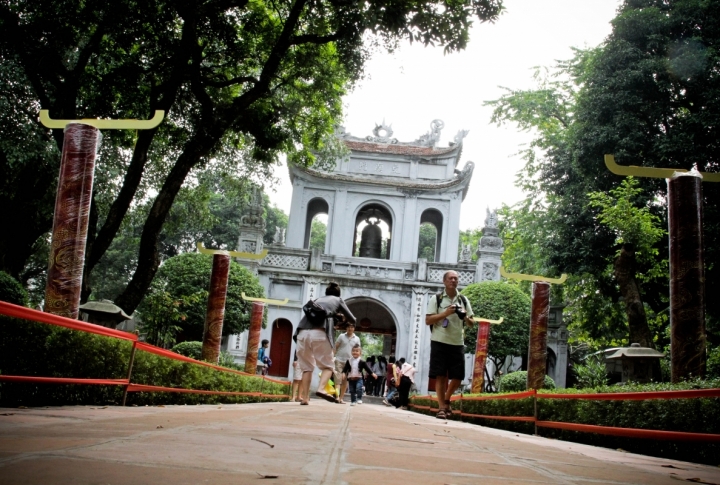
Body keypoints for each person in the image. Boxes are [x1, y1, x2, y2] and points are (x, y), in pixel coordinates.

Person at [295, 282, 356, 405]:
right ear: (338, 294)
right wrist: (341, 323)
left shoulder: (317, 299)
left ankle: (305, 398)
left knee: (306, 368)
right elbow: (353, 319)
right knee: (328, 366)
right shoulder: (338, 300)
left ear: (326, 293)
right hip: (319, 333)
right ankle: (321, 389)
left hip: (301, 333)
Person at [425, 270, 474, 419]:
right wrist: (446, 313)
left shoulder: (464, 300)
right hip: (439, 341)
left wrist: (465, 316)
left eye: (456, 279)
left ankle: (446, 399)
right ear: (444, 281)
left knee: (458, 377)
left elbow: (472, 323)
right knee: (440, 376)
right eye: (451, 278)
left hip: (457, 342)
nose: (454, 281)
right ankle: (441, 408)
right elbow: (428, 320)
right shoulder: (436, 299)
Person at [334, 321, 360, 404]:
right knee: (338, 379)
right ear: (346, 328)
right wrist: (332, 357)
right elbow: (336, 347)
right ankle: (337, 397)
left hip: (349, 362)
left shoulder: (357, 339)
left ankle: (341, 398)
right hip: (339, 360)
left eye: (352, 327)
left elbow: (358, 350)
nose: (350, 328)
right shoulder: (341, 336)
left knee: (345, 381)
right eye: (348, 327)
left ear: (354, 328)